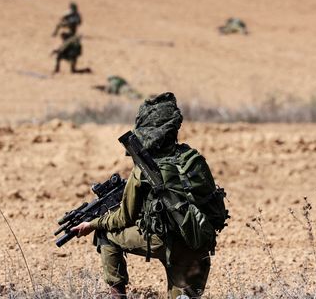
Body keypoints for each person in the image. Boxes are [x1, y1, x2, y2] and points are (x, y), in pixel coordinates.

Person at [71, 93, 222, 299]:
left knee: (105, 233)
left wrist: (93, 223)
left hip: (165, 242)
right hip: (199, 245)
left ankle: (118, 296)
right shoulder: (193, 159)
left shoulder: (143, 169)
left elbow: (123, 218)